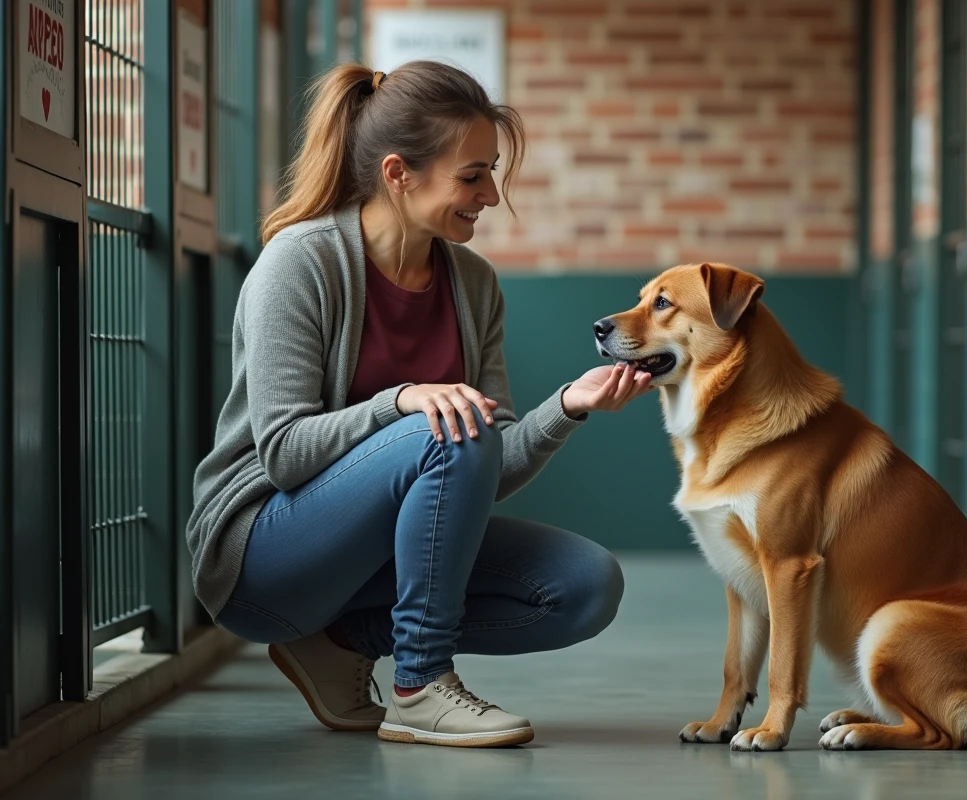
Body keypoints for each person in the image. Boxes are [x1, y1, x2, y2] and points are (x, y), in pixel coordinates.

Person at [185, 60, 653, 748]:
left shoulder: (473, 283)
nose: (490, 194)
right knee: (444, 426)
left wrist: (567, 406)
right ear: (399, 173)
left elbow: (484, 462)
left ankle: (344, 640)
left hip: (364, 572)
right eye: (472, 175)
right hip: (264, 559)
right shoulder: (300, 263)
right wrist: (399, 401)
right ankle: (420, 683)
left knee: (584, 586)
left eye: (491, 171)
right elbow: (283, 456)